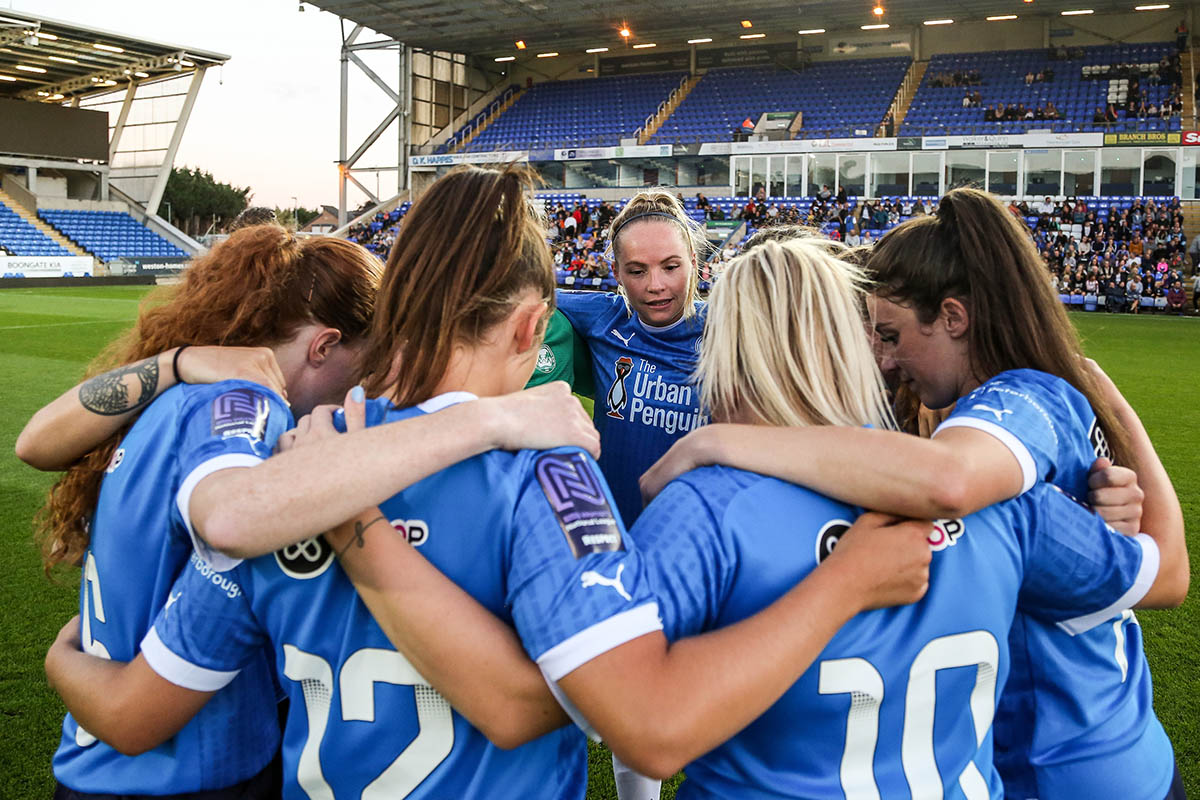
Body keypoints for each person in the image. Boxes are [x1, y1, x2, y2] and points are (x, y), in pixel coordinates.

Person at [42, 165, 931, 799]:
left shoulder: (296, 470)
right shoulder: (546, 475)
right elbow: (561, 710)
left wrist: (65, 661)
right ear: (534, 325)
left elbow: (139, 701)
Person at [642, 188, 1188, 800]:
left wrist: (720, 443)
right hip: (1062, 757)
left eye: (893, 335)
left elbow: (947, 482)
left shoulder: (1005, 426)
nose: (888, 360)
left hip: (1064, 761)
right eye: (874, 337)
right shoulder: (1001, 493)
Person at [554, 189, 708, 527]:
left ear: (694, 262)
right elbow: (518, 292)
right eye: (637, 271)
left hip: (695, 543)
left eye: (671, 267)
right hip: (613, 537)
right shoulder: (603, 318)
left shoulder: (728, 328)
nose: (656, 285)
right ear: (617, 272)